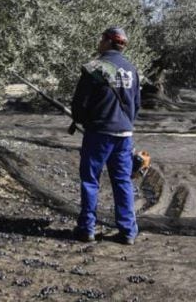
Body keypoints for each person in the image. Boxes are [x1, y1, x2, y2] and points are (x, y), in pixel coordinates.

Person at [70, 27, 141, 245]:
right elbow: (136, 105)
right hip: (124, 134)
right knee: (122, 182)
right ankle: (128, 232)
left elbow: (80, 104)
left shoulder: (94, 68)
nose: (99, 42)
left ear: (109, 42)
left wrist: (82, 120)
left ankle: (87, 229)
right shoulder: (132, 69)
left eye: (102, 39)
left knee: (90, 181)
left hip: (99, 133)